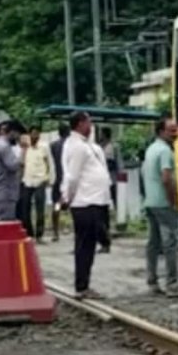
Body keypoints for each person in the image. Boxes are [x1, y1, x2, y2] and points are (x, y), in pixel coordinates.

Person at [62, 111, 111, 299]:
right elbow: (72, 176)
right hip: (84, 201)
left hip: (93, 199)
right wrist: (68, 197)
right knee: (84, 246)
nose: (91, 125)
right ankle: (82, 286)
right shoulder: (77, 147)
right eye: (89, 122)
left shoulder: (85, 145)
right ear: (81, 123)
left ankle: (84, 285)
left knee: (88, 245)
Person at [142, 117, 178, 297]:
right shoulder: (166, 151)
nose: (175, 134)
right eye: (171, 131)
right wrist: (173, 199)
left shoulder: (151, 149)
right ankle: (171, 284)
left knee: (153, 243)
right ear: (161, 132)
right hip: (163, 202)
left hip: (150, 201)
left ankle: (152, 281)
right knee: (170, 243)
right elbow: (167, 178)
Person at [0, 120, 26, 221]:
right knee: (5, 225)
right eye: (18, 135)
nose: (18, 138)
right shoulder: (4, 147)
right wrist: (23, 150)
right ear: (12, 132)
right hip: (6, 192)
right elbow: (13, 165)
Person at [21, 125, 54, 243]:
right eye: (33, 133)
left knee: (40, 208)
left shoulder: (44, 146)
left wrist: (49, 178)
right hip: (27, 180)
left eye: (37, 133)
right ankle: (29, 233)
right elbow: (21, 163)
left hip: (40, 180)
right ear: (29, 135)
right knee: (25, 208)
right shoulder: (25, 147)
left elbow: (49, 162)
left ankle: (39, 234)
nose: (35, 136)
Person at [50, 123, 70, 242]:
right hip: (70, 180)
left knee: (57, 205)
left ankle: (56, 232)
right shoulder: (71, 145)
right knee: (74, 206)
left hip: (58, 180)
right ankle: (77, 230)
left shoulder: (53, 146)